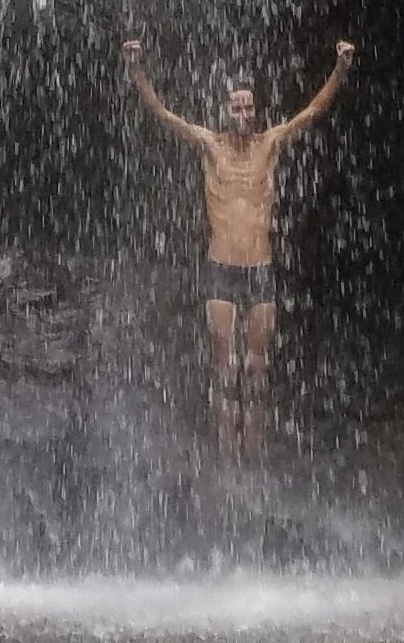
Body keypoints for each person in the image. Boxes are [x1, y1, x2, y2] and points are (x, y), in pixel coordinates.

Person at [123, 33, 356, 464]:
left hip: (260, 268)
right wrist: (137, 70)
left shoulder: (270, 143)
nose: (245, 112)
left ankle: (253, 462)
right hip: (221, 269)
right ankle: (227, 462)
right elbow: (161, 113)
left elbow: (313, 111)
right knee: (224, 370)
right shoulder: (209, 145)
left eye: (249, 105)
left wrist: (340, 70)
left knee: (257, 371)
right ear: (225, 111)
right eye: (237, 106)